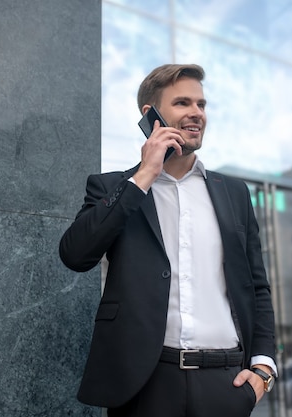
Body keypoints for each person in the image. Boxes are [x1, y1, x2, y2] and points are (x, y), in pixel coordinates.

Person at [59, 64, 277, 417]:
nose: (197, 113)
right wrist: (144, 175)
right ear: (151, 115)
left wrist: (264, 369)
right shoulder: (112, 187)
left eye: (202, 105)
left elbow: (256, 286)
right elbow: (75, 255)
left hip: (226, 383)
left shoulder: (234, 193)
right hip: (144, 385)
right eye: (183, 103)